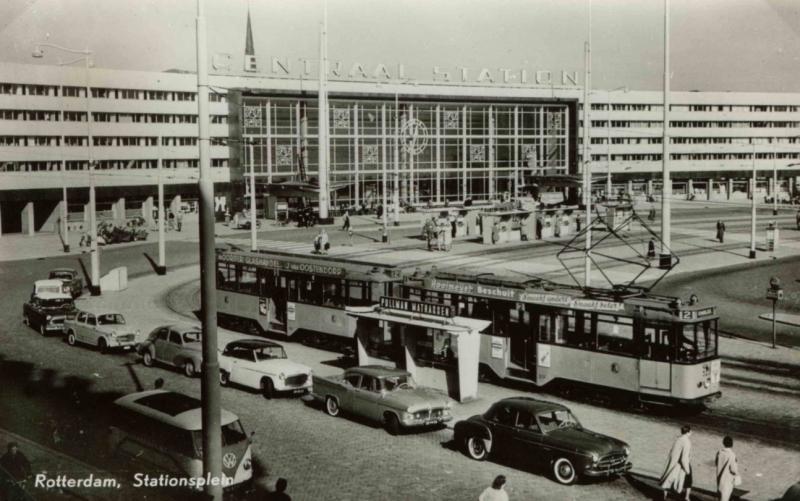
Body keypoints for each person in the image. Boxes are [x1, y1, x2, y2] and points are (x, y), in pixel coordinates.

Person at [660, 425, 693, 501]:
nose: (691, 432)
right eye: (690, 431)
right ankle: (686, 497)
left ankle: (664, 496)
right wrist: (687, 469)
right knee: (681, 482)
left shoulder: (678, 439)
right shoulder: (687, 442)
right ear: (688, 432)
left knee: (668, 479)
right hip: (680, 464)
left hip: (672, 462)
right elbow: (684, 458)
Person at [716, 436, 740, 501]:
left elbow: (716, 463)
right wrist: (737, 475)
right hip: (727, 480)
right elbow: (733, 469)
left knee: (720, 497)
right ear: (732, 444)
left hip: (719, 477)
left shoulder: (719, 452)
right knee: (725, 498)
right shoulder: (732, 455)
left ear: (723, 443)